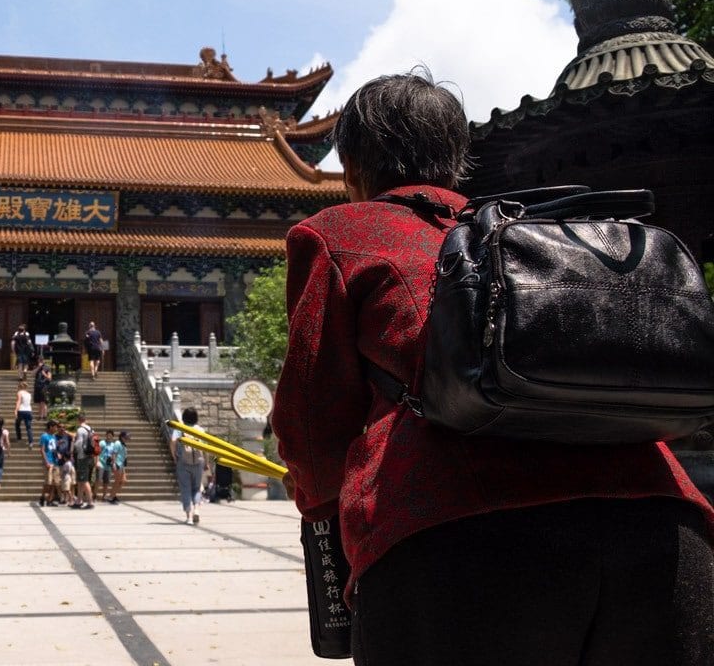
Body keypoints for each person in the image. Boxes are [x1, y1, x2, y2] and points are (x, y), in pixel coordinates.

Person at [270, 70, 714, 665]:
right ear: (457, 161)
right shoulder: (535, 233)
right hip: (668, 532)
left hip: (453, 539)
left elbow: (310, 418)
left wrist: (333, 524)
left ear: (351, 165)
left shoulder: (341, 234)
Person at [170, 407, 205, 524]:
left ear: (184, 417)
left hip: (183, 461)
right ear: (196, 418)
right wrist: (207, 463)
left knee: (185, 489)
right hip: (198, 462)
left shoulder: (179, 428)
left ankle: (189, 517)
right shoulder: (200, 429)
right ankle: (197, 510)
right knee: (197, 488)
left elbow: (173, 442)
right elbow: (206, 448)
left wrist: (174, 456)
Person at [72, 412, 96, 509]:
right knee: (81, 480)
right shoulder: (91, 429)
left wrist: (74, 443)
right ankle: (79, 500)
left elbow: (78, 444)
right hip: (90, 457)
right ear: (85, 420)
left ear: (78, 420)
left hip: (83, 457)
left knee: (84, 480)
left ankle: (90, 502)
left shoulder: (80, 430)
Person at [37, 419, 60, 507]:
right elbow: (42, 450)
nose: (56, 429)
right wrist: (46, 461)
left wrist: (58, 454)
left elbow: (54, 448)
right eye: (55, 427)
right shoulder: (44, 436)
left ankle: (50, 500)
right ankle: (42, 497)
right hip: (49, 461)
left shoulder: (54, 437)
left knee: (55, 482)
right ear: (50, 427)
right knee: (48, 482)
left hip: (55, 461)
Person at [108, 430, 129, 504]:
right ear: (122, 437)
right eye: (126, 437)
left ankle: (113, 495)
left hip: (122, 465)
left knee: (123, 480)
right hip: (117, 464)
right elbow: (114, 453)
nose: (127, 439)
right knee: (117, 481)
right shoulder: (117, 443)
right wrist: (113, 463)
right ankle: (111, 497)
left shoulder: (123, 444)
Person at [96, 429, 115, 502]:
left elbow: (113, 455)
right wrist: (97, 461)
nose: (109, 436)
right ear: (106, 435)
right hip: (101, 463)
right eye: (108, 435)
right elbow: (97, 452)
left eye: (110, 435)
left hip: (108, 465)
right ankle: (95, 495)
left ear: (112, 436)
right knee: (98, 480)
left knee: (106, 482)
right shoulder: (102, 443)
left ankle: (104, 496)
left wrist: (113, 463)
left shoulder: (113, 445)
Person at [13, 380, 33, 444]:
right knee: (28, 427)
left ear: (19, 387)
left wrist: (16, 410)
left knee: (17, 424)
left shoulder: (19, 393)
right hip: (29, 410)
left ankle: (19, 438)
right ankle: (31, 441)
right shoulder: (29, 394)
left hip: (21, 410)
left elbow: (18, 402)